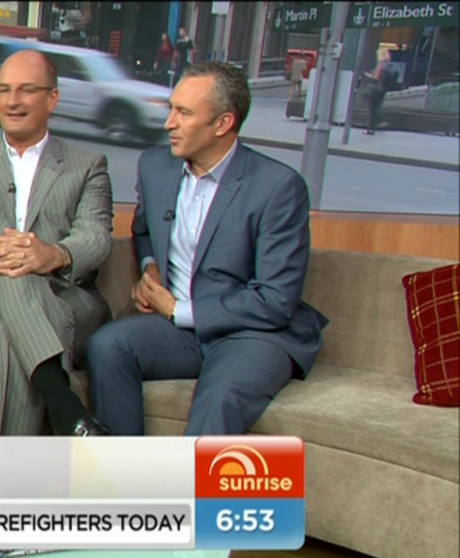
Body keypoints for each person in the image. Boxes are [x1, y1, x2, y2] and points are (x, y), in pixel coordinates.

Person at [87, 61, 329, 436]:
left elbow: (276, 301)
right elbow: (144, 229)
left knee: (218, 398)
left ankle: (191, 478)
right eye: (171, 109)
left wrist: (177, 309)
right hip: (178, 332)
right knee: (107, 345)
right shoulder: (155, 167)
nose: (169, 123)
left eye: (184, 113)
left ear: (222, 123)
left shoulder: (278, 187)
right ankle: (125, 471)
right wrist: (150, 266)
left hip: (253, 332)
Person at [0, 49, 114, 437]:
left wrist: (52, 255)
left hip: (62, 301)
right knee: (13, 271)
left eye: (26, 90)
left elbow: (96, 237)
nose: (12, 101)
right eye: (4, 90)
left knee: (7, 336)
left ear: (52, 98)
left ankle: (21, 463)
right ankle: (67, 409)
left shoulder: (88, 165)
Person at [364, 48, 393, 135]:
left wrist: (368, 75)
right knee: (376, 108)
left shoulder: (380, 65)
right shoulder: (388, 66)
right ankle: (375, 125)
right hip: (382, 90)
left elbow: (376, 78)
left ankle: (373, 126)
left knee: (372, 109)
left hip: (375, 89)